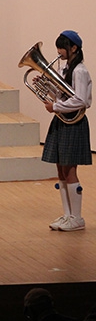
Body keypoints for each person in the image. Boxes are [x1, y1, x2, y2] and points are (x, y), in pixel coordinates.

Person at [42, 30, 92, 231]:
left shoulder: (80, 71)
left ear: (74, 48)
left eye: (62, 47)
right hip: (62, 121)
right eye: (58, 47)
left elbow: (80, 100)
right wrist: (47, 87)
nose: (59, 51)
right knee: (60, 169)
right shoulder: (65, 70)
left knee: (70, 169)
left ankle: (77, 218)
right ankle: (67, 215)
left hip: (74, 122)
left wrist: (55, 107)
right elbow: (62, 95)